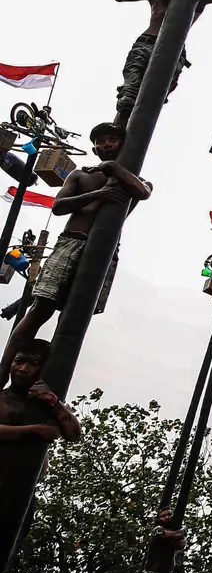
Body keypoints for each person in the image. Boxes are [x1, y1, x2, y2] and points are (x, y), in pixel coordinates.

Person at [0, 122, 152, 389]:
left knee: (75, 315)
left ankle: (48, 381)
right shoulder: (80, 175)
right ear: (94, 146)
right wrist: (99, 194)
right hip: (71, 242)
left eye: (112, 140)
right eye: (100, 141)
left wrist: (115, 170)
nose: (106, 145)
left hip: (103, 251)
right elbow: (59, 206)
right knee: (39, 309)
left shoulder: (131, 179)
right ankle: (4, 370)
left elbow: (144, 192)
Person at [111, 0, 212, 126]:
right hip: (147, 42)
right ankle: (117, 131)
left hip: (174, 49)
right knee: (129, 93)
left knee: (154, 97)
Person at [0, 338, 80, 569]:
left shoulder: (43, 404)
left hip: (19, 494)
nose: (23, 369)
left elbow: (74, 434)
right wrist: (35, 430)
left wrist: (54, 402)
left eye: (32, 364)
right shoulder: (3, 399)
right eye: (19, 361)